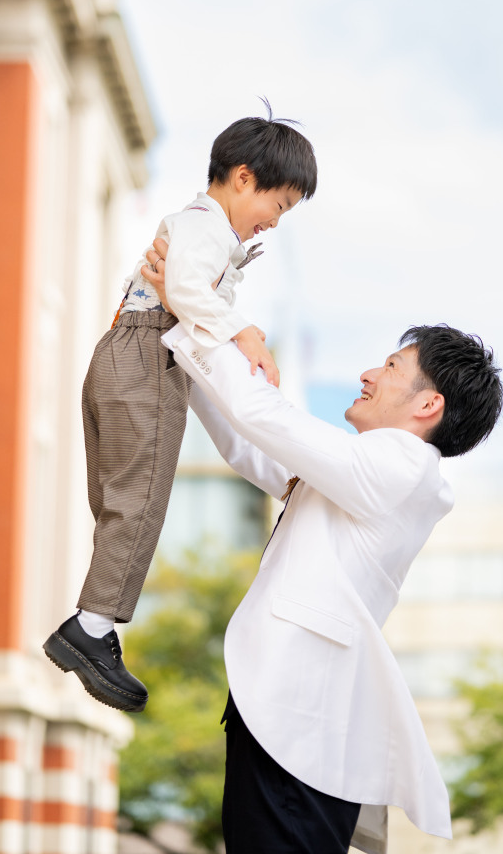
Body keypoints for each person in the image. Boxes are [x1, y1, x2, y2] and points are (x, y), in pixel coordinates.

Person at [145, 242, 503, 854]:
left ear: (428, 404)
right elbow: (251, 446)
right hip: (286, 721)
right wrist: (182, 331)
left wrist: (202, 315)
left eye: (390, 367)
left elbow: (266, 418)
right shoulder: (372, 472)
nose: (368, 373)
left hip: (296, 723)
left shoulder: (403, 465)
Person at [43, 108, 318, 714]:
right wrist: (244, 332)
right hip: (145, 354)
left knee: (123, 499)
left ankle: (93, 626)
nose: (274, 222)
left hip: (131, 354)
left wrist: (279, 474)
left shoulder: (205, 234)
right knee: (139, 500)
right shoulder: (204, 226)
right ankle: (89, 631)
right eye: (281, 204)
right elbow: (188, 295)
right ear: (243, 178)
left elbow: (223, 411)